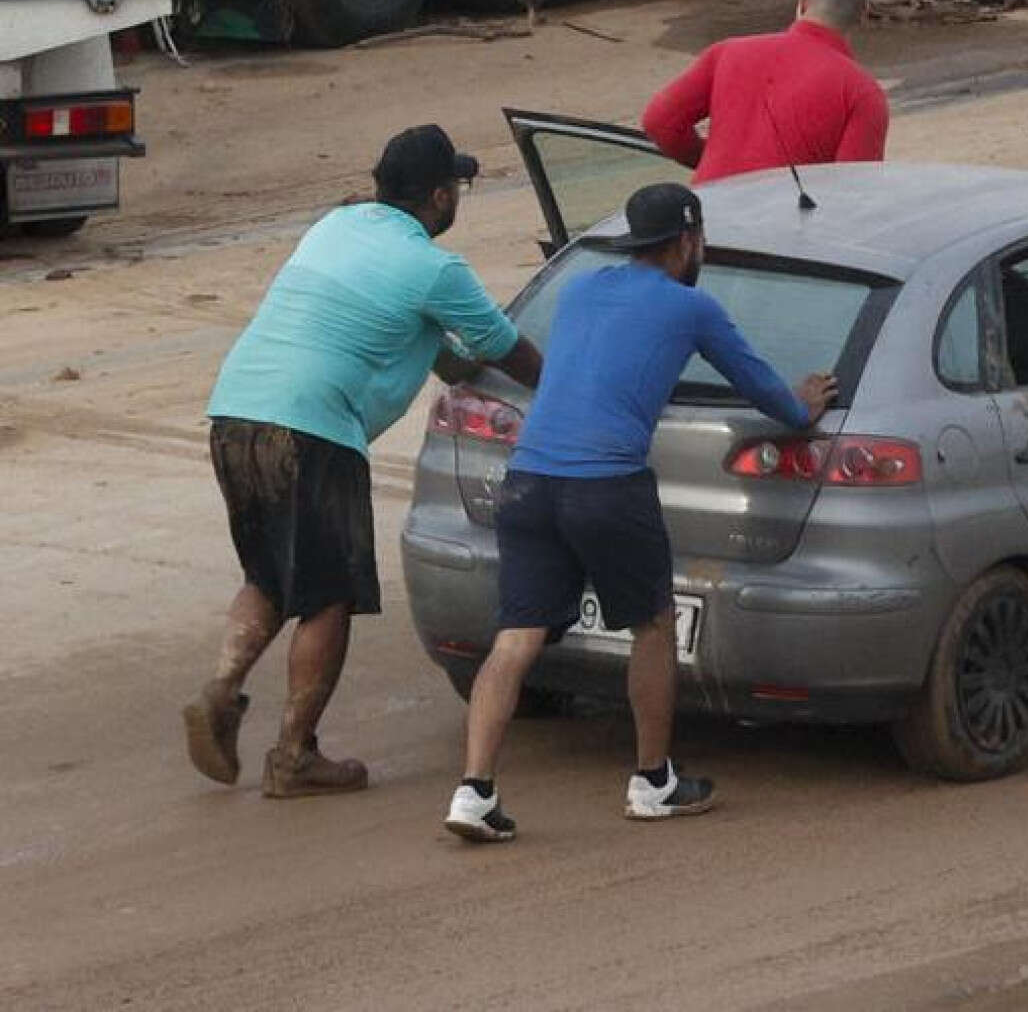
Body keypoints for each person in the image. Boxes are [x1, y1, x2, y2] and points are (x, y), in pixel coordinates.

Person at [443, 184, 836, 842]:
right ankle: (653, 781)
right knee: (653, 624)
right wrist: (806, 403)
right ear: (688, 242)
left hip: (530, 481)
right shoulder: (692, 307)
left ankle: (473, 791)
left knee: (516, 638)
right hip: (607, 488)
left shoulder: (580, 289)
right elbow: (769, 395)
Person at [185, 125, 543, 798]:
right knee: (330, 594)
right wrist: (566, 391)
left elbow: (418, 336)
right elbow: (506, 349)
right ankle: (294, 755)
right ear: (439, 196)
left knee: (269, 569)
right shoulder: (436, 269)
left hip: (236, 412)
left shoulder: (334, 227)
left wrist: (450, 359)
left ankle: (222, 688)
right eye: (456, 188)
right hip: (312, 431)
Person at [641, 0, 887, 184]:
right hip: (789, 225)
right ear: (863, 13)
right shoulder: (862, 93)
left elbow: (659, 121)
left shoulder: (728, 52)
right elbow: (853, 191)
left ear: (803, 0)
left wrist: (712, 162)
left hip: (710, 213)